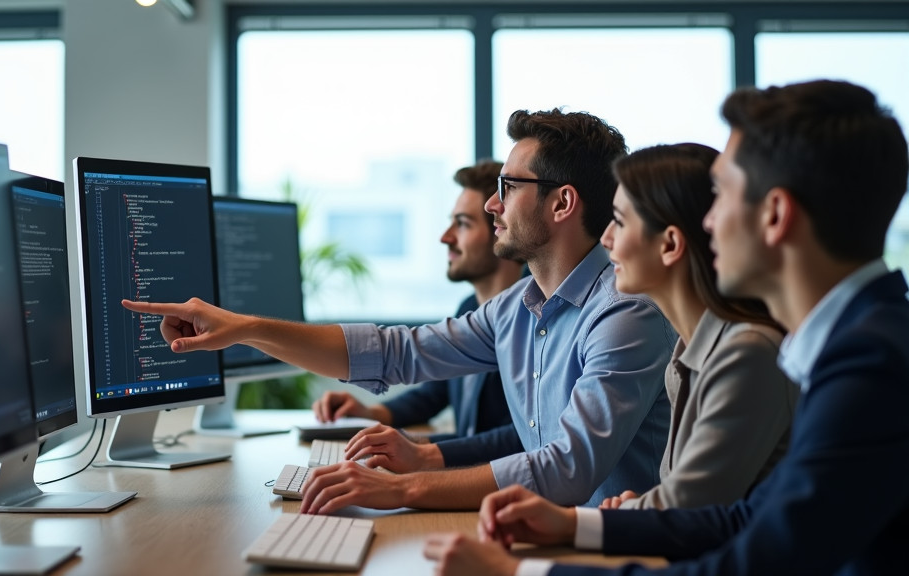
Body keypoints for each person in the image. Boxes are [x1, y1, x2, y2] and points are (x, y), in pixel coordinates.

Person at [423, 79, 909, 576]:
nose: (708, 220)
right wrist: (579, 527)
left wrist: (518, 572)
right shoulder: (858, 342)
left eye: (720, 195)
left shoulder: (870, 364)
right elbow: (750, 519)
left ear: (776, 214)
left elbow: (755, 561)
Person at [122, 108, 676, 514]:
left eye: (508, 187)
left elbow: (567, 469)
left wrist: (403, 487)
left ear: (562, 202)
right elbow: (398, 352)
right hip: (549, 532)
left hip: (612, 550)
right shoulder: (516, 309)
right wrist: (242, 329)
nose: (492, 203)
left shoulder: (624, 312)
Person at [588, 143, 799, 511]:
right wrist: (644, 506)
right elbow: (685, 498)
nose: (606, 238)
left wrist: (606, 519)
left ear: (670, 244)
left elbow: (688, 508)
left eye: (619, 222)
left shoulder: (747, 351)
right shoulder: (689, 350)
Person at [312, 159, 521, 442]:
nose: (445, 237)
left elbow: (520, 440)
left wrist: (422, 451)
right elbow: (438, 391)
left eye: (462, 224)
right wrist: (372, 414)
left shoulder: (529, 320)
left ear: (500, 228)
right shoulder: (469, 309)